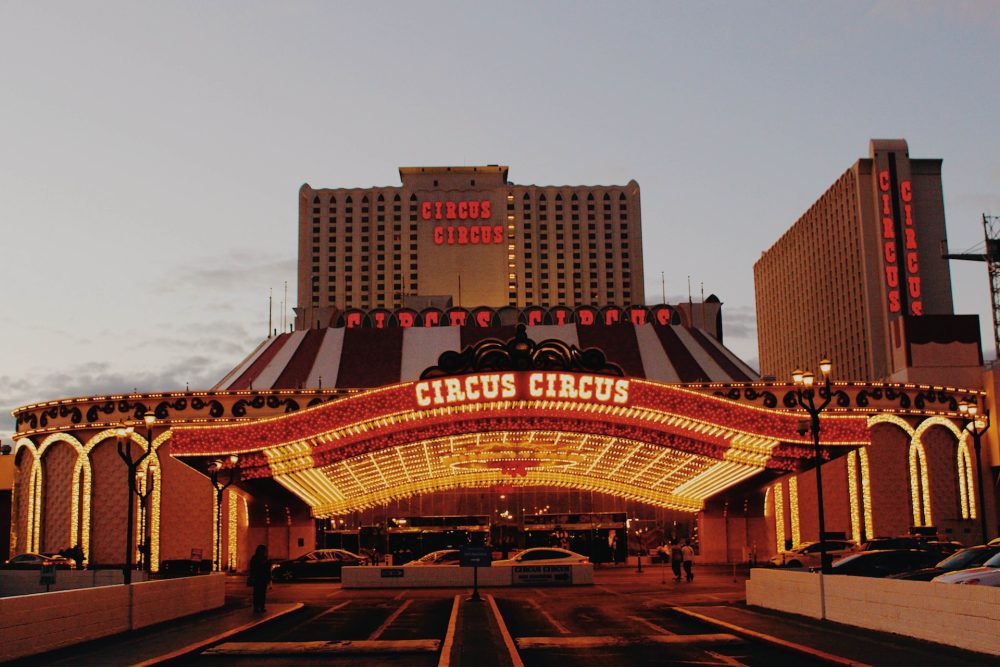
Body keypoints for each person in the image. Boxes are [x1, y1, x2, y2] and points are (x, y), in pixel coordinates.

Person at [249, 544, 271, 613]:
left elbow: (267, 569)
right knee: (257, 593)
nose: (264, 551)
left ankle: (261, 606)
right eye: (263, 550)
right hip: (258, 577)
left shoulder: (264, 558)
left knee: (261, 593)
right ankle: (257, 607)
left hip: (262, 578)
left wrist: (269, 578)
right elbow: (253, 568)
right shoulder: (256, 558)